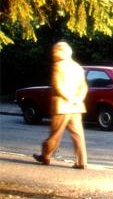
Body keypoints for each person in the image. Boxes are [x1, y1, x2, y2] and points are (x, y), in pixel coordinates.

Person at [33, 41, 88, 169]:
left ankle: (45, 156)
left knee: (55, 134)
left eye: (56, 51)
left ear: (64, 52)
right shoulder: (77, 67)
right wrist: (78, 99)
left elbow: (57, 86)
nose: (54, 53)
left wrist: (68, 98)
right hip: (76, 106)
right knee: (78, 135)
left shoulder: (58, 66)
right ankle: (81, 162)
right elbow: (84, 87)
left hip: (62, 106)